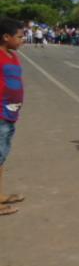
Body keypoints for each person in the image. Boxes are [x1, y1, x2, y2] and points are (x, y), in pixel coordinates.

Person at [0, 18, 25, 216]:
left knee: (1, 158)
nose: (22, 40)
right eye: (19, 36)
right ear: (6, 37)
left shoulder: (13, 56)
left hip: (10, 114)